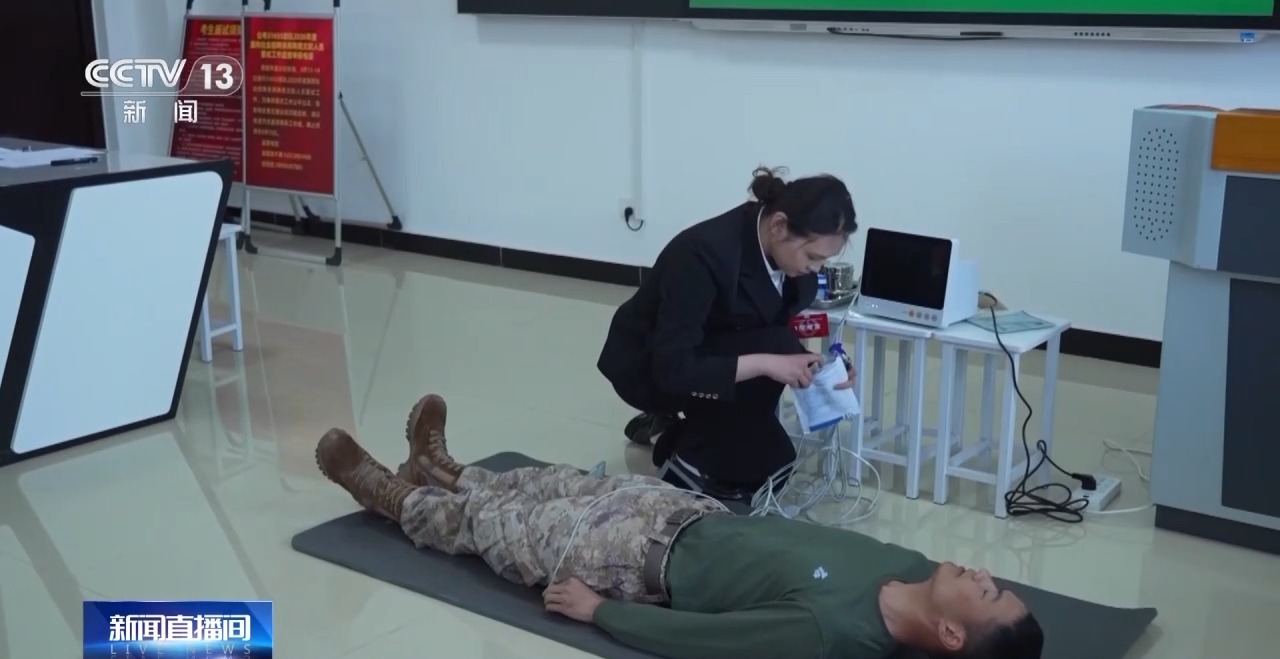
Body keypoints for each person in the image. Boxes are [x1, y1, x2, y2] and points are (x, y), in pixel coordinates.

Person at [316, 393, 1045, 659]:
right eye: (993, 579)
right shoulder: (912, 563)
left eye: (985, 592)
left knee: (496, 528)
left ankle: (388, 493)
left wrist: (601, 611)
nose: (983, 572)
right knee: (542, 481)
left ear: (951, 636)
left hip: (632, 562)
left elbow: (709, 642)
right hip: (682, 511)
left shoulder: (835, 634)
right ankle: (443, 467)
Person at [597, 166, 859, 500]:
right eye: (812, 256)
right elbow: (672, 368)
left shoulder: (792, 263)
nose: (815, 269)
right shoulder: (701, 255)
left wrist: (817, 365)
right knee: (755, 457)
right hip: (652, 367)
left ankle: (689, 432)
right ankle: (686, 461)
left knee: (774, 463)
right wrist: (767, 363)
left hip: (714, 347)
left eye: (824, 261)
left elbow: (771, 326)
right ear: (779, 226)